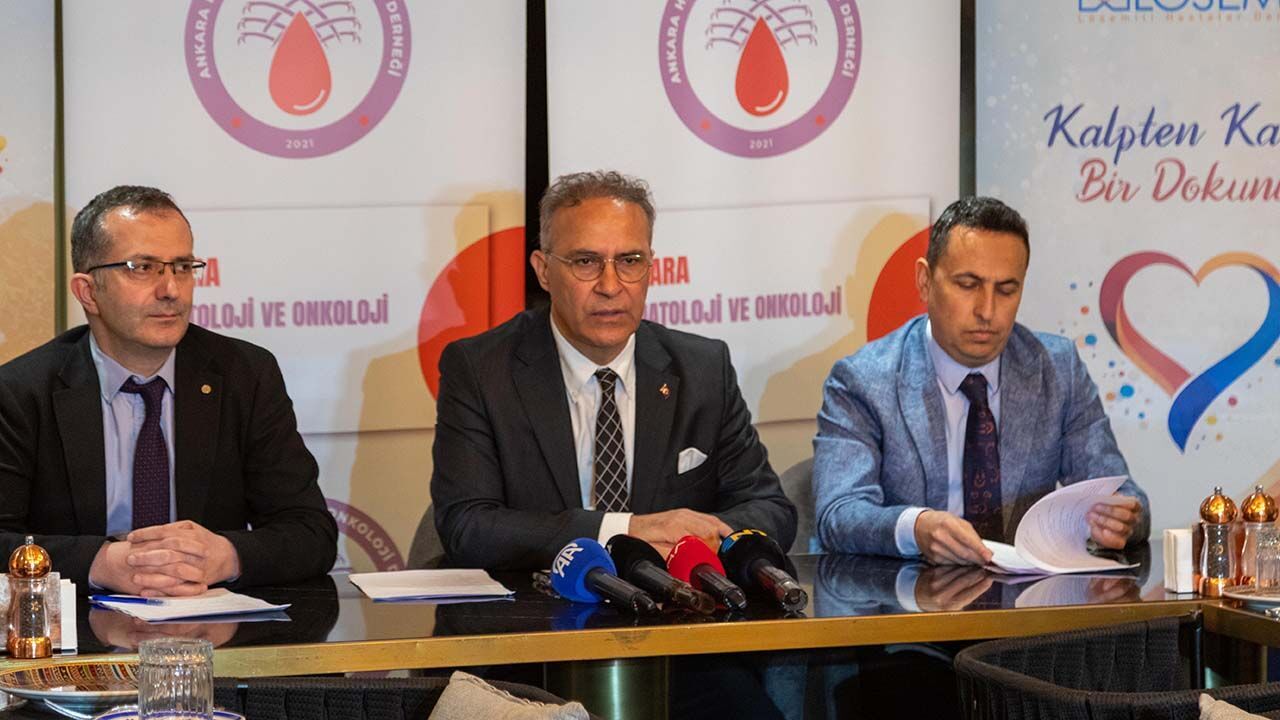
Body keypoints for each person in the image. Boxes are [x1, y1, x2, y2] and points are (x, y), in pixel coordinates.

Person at [431, 170, 796, 569]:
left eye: (629, 261)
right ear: (543, 271)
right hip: (541, 603)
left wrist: (692, 540)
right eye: (586, 262)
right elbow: (467, 527)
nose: (610, 285)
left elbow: (770, 510)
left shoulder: (704, 368)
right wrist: (623, 531)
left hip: (674, 602)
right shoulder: (481, 370)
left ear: (650, 268)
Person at [0, 185, 336, 595]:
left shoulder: (245, 375)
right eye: (142, 268)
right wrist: (101, 563)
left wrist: (226, 555)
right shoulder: (21, 393)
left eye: (182, 267)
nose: (171, 290)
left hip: (212, 623)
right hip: (80, 628)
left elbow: (311, 532)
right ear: (88, 292)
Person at [814, 196, 1149, 564]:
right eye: (967, 285)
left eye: (1006, 290)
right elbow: (838, 513)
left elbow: (1126, 495)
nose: (987, 311)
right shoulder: (863, 381)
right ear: (925, 282)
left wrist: (1121, 521)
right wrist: (916, 528)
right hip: (907, 593)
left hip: (1028, 593)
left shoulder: (1057, 368)